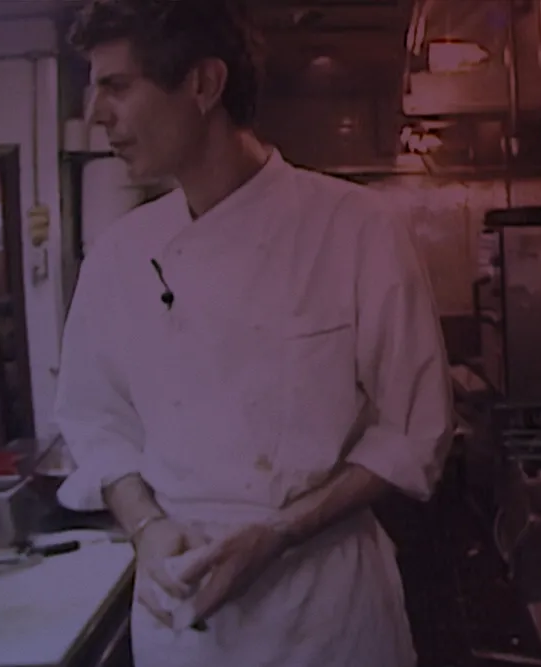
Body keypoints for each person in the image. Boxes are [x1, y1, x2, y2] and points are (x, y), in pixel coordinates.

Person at [52, 1, 454, 666]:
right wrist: (148, 527)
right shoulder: (118, 256)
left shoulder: (357, 229)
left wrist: (279, 531)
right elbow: (96, 422)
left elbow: (412, 431)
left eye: (117, 86)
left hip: (325, 614)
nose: (97, 114)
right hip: (183, 613)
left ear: (205, 85)